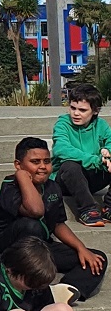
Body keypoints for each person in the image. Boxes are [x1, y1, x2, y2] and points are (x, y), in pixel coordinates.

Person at [0, 137, 107, 301]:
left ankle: (61, 292)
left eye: (47, 161)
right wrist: (22, 177)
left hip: (39, 245)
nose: (43, 166)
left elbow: (57, 224)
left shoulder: (52, 187)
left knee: (97, 258)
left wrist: (81, 248)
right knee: (31, 226)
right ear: (18, 165)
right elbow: (36, 211)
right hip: (5, 249)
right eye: (35, 162)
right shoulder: (9, 186)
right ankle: (31, 287)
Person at [52, 83, 111, 226]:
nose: (76, 113)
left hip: (92, 178)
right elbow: (61, 149)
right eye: (73, 108)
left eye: (82, 110)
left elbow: (110, 141)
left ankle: (109, 207)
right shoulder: (63, 124)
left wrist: (108, 152)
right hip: (66, 180)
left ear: (95, 111)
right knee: (70, 165)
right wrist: (96, 160)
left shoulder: (101, 125)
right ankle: (88, 210)